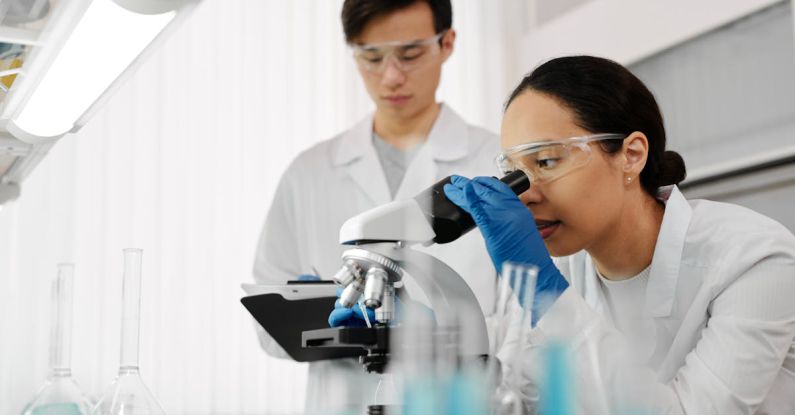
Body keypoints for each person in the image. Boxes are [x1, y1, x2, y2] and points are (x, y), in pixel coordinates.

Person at [443, 56, 795, 414]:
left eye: (546, 161)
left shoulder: (754, 259)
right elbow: (523, 400)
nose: (524, 194)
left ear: (631, 154)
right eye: (514, 173)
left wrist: (547, 297)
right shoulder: (562, 265)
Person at [252, 0, 499, 413]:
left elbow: (527, 330)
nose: (391, 76)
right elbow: (267, 330)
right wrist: (309, 314)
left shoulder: (490, 162)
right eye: (371, 57)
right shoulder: (309, 172)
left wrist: (438, 334)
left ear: (447, 42)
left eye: (410, 54)